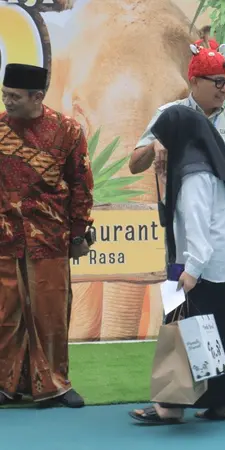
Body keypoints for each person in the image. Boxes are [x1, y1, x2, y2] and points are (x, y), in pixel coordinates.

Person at [129, 105, 225, 424]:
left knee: (185, 329)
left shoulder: (193, 174)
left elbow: (199, 230)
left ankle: (171, 405)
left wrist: (190, 273)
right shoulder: (208, 164)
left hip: (203, 265)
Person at [0, 64, 93, 408]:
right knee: (6, 314)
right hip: (5, 237)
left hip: (49, 237)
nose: (8, 102)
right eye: (4, 94)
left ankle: (56, 384)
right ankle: (7, 384)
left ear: (37, 97)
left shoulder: (67, 131)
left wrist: (79, 231)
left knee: (50, 313)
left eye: (15, 96)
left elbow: (81, 184)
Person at [129, 38, 225, 191]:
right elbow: (134, 166)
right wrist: (154, 144)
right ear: (195, 81)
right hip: (181, 208)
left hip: (222, 211)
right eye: (219, 82)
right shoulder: (169, 115)